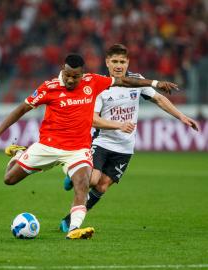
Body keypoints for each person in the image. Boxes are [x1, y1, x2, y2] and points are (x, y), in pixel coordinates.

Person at [0, 53, 178, 240]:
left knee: (82, 185)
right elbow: (21, 109)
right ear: (63, 70)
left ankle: (74, 229)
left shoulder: (92, 81)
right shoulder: (48, 87)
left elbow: (125, 81)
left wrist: (154, 83)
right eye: (68, 75)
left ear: (82, 74)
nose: (70, 80)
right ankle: (21, 154)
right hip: (47, 146)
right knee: (9, 179)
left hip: (78, 150)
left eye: (75, 77)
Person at [59, 44, 199, 232]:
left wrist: (181, 116)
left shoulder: (137, 81)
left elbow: (158, 99)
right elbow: (93, 120)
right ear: (107, 62)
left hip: (124, 148)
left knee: (101, 187)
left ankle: (70, 218)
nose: (118, 65)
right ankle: (72, 172)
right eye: (115, 61)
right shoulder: (100, 86)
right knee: (92, 180)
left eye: (122, 62)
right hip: (102, 142)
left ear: (128, 63)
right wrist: (119, 125)